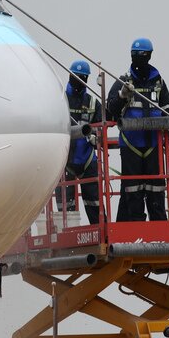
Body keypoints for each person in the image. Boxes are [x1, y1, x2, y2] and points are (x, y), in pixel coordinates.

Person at [106, 38, 169, 221]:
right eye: (133, 55)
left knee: (156, 191)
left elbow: (168, 112)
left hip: (154, 145)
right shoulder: (124, 81)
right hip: (131, 145)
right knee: (132, 191)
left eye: (141, 55)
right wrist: (122, 96)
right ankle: (135, 228)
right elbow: (110, 110)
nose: (137, 58)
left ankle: (160, 229)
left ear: (149, 55)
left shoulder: (158, 82)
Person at [63, 60, 104, 224]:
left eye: (83, 77)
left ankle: (100, 231)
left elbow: (102, 127)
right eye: (76, 76)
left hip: (87, 160)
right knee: (65, 209)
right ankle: (66, 233)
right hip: (64, 161)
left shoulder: (92, 103)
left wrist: (96, 137)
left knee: (95, 204)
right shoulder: (60, 100)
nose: (79, 80)